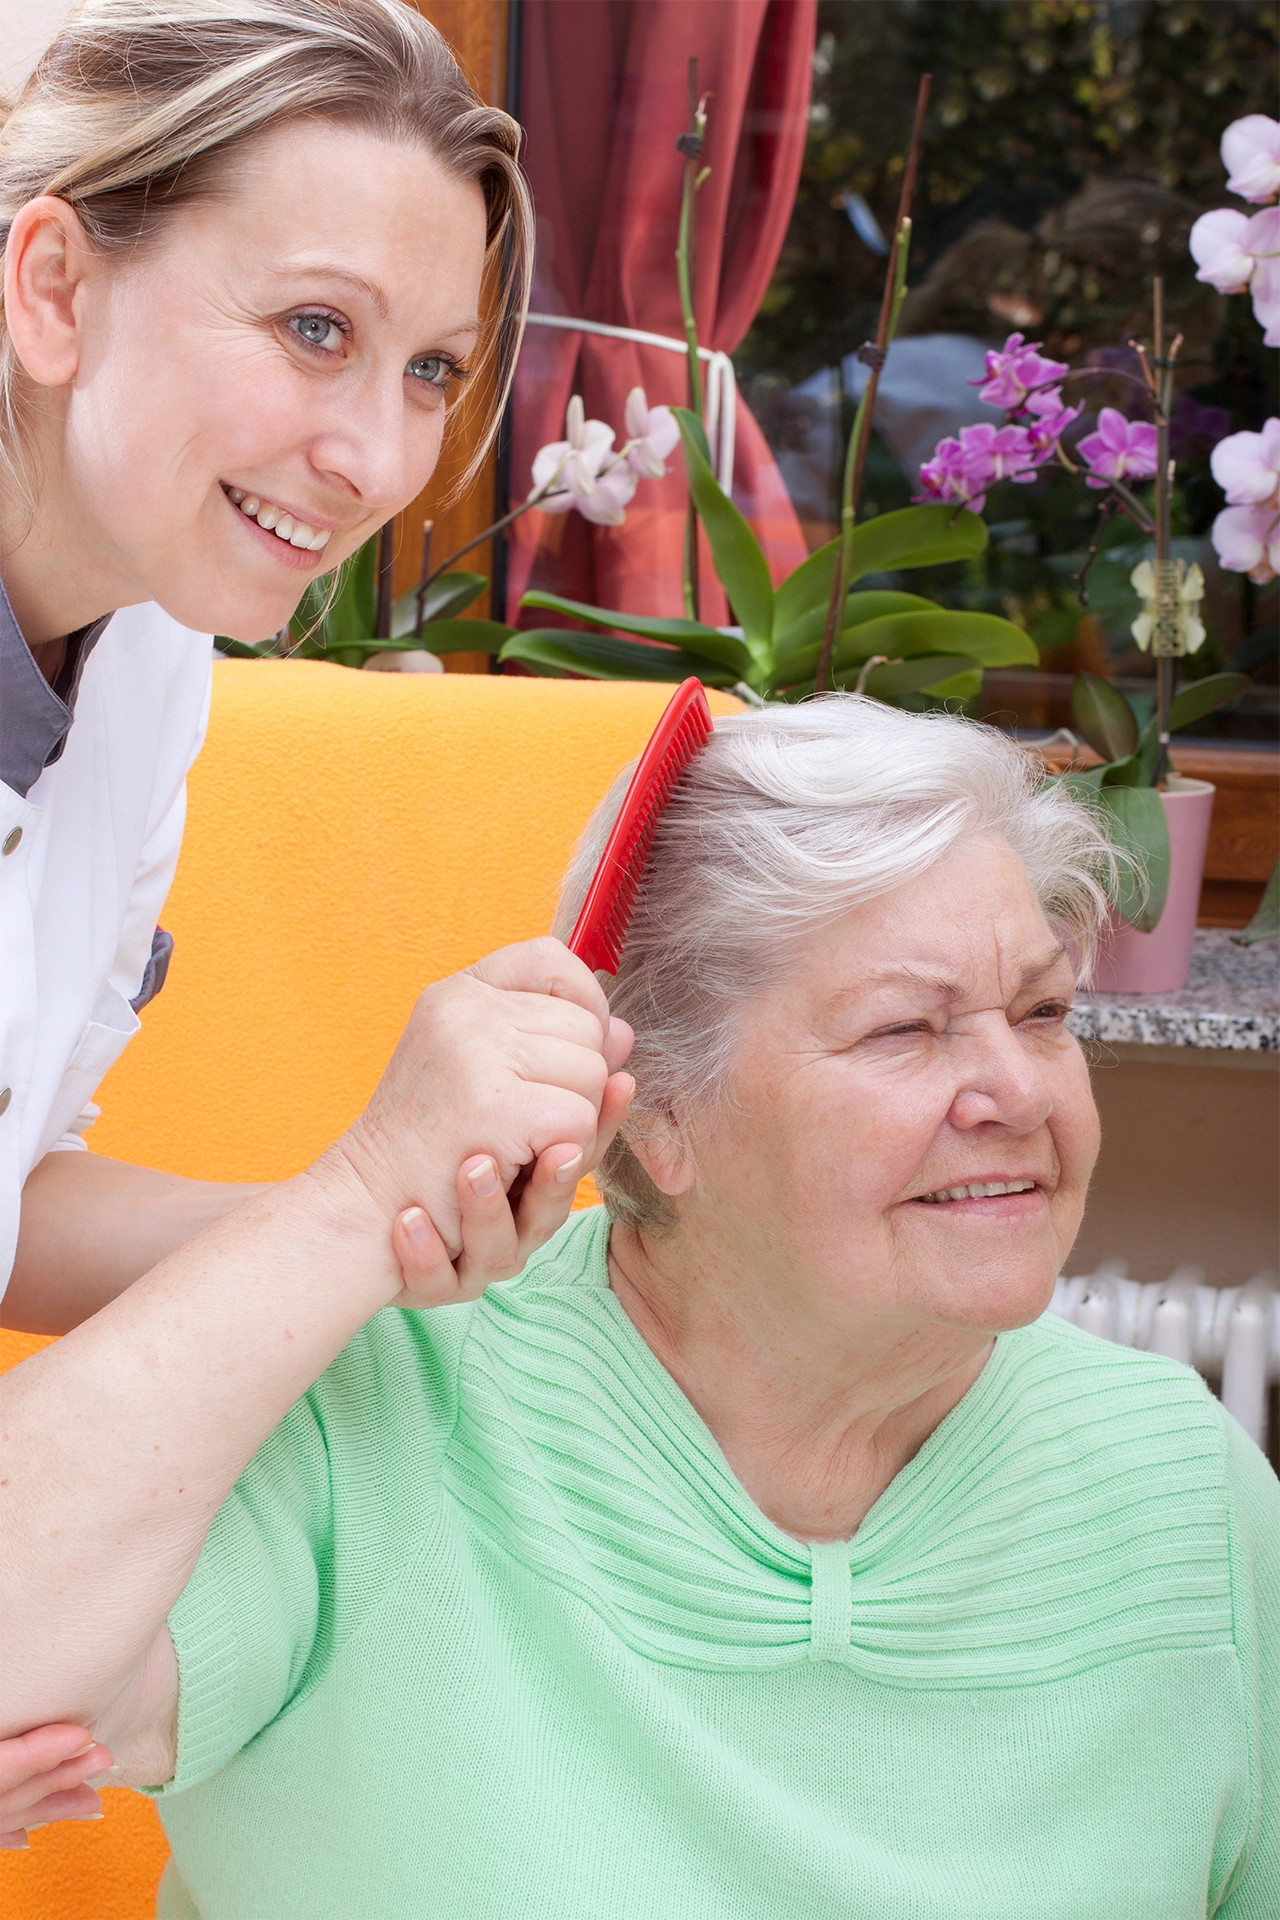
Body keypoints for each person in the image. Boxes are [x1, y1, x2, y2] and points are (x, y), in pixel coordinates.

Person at [4, 697, 1276, 1917]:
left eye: (1043, 1012)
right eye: (904, 1031)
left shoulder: (1181, 1486)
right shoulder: (372, 1408)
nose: (1015, 1087)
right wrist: (348, 1207)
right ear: (655, 1112)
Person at [0, 0, 634, 1847]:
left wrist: (387, 1218)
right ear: (52, 286)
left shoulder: (148, 653)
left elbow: (12, 1194)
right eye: (313, 330)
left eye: (432, 371)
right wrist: (355, 1204)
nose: (374, 458)